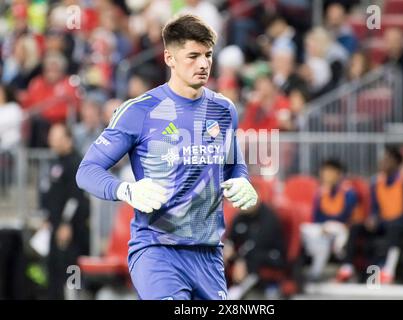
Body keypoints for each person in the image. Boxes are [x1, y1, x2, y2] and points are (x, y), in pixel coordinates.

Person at [76, 14, 258, 300]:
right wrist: (126, 189)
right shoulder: (139, 111)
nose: (203, 64)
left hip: (209, 254)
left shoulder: (224, 110)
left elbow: (234, 163)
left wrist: (242, 180)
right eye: (193, 55)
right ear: (169, 58)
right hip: (156, 251)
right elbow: (87, 170)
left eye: (208, 55)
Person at [336, 148, 403, 284]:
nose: (383, 162)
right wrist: (373, 218)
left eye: (387, 159)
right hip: (384, 223)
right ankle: (347, 266)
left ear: (396, 163)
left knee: (394, 227)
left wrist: (386, 221)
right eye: (382, 159)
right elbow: (375, 208)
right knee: (356, 227)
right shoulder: (376, 183)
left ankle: (388, 270)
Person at [39, 123, 90, 299]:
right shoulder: (55, 162)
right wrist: (46, 217)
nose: (51, 141)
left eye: (57, 137)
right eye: (51, 137)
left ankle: (74, 296)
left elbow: (76, 198)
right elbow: (49, 193)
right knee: (53, 269)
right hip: (54, 227)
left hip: (71, 231)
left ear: (68, 140)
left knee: (71, 269)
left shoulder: (76, 162)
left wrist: (66, 223)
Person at [301, 159, 357, 281]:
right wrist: (322, 226)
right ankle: (307, 268)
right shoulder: (320, 192)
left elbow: (345, 215)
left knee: (327, 236)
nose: (325, 175)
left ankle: (319, 270)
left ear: (338, 174)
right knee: (303, 230)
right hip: (322, 228)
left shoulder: (348, 192)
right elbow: (316, 217)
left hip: (341, 228)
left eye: (329, 172)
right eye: (324, 172)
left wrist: (328, 224)